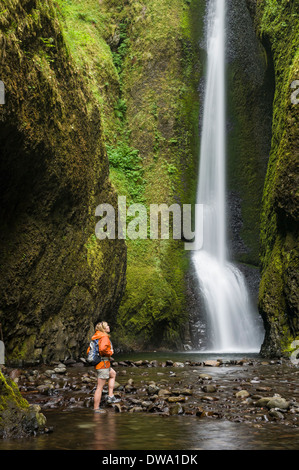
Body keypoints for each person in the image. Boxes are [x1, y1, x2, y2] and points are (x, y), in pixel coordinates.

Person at [91, 321, 120, 413]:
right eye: (107, 325)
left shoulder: (97, 337)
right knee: (100, 387)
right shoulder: (104, 337)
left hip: (103, 363)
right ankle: (96, 408)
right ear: (103, 329)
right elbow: (103, 349)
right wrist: (110, 353)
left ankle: (110, 396)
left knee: (113, 374)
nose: (108, 326)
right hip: (102, 364)